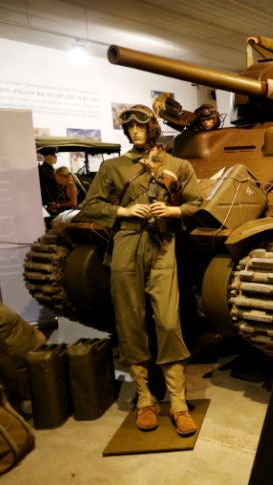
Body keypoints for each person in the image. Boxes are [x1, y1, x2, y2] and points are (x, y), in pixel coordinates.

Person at [78, 104, 203, 436]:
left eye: (141, 126)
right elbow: (89, 206)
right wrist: (125, 210)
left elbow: (199, 204)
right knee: (130, 320)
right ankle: (145, 397)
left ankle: (178, 401)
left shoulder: (177, 165)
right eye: (129, 127)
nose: (135, 132)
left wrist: (173, 210)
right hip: (126, 244)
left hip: (163, 244)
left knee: (167, 320)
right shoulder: (113, 167)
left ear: (153, 128)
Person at [38, 147, 60, 215]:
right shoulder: (43, 170)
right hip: (51, 202)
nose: (56, 157)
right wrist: (51, 201)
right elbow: (44, 187)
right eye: (54, 155)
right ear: (47, 157)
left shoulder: (50, 168)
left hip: (57, 200)